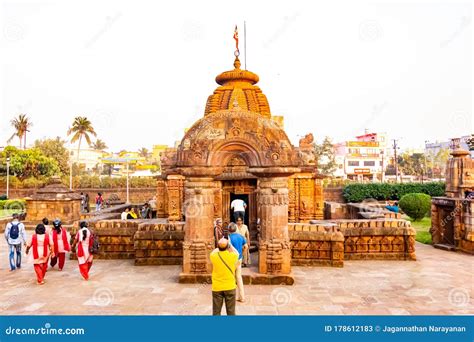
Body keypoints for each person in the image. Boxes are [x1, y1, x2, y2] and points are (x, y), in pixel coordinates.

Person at [210, 237, 239, 315]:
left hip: (217, 287)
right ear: (228, 246)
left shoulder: (213, 256)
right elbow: (237, 253)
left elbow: (214, 251)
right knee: (231, 311)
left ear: (218, 247)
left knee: (216, 311)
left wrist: (219, 245)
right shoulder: (232, 256)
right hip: (230, 286)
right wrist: (230, 245)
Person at [228, 222, 248, 302]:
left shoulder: (229, 238)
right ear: (236, 229)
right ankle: (242, 297)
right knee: (239, 277)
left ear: (229, 230)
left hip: (231, 260)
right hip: (239, 259)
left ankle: (231, 297)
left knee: (231, 278)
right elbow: (246, 247)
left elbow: (228, 249)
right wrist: (242, 254)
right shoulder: (241, 237)